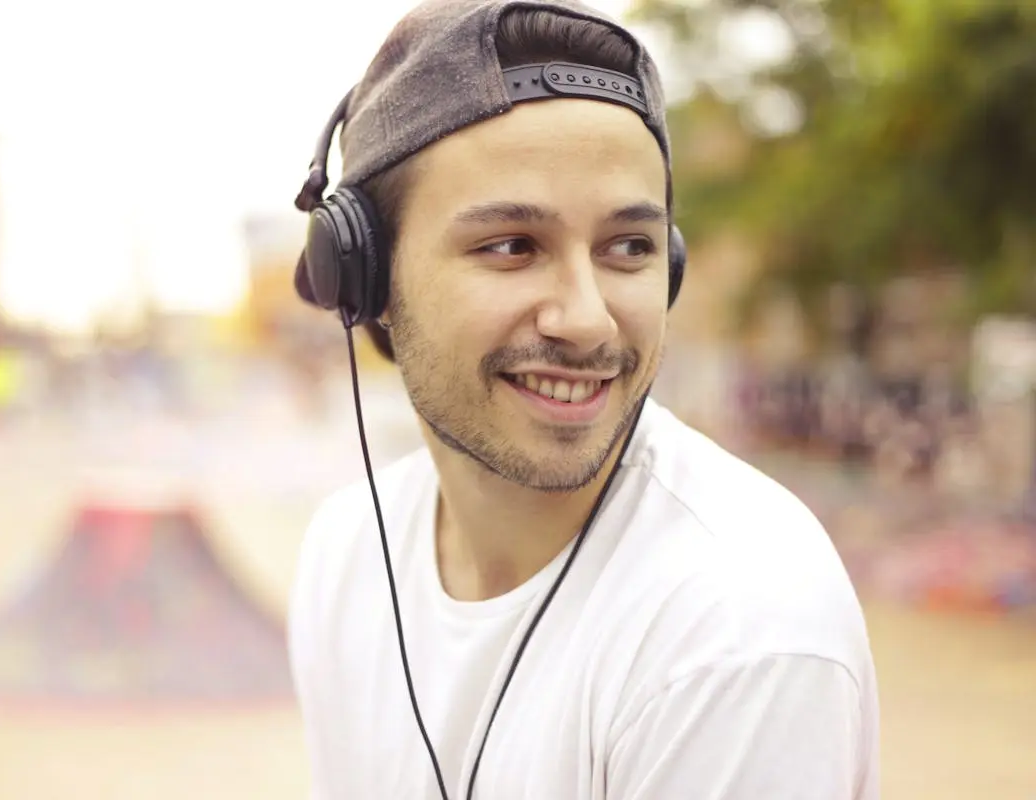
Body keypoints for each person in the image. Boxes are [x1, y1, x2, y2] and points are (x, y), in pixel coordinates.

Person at [286, 1, 880, 798]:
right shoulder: (346, 554)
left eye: (627, 248)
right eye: (511, 247)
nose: (587, 318)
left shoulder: (737, 627)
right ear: (366, 278)